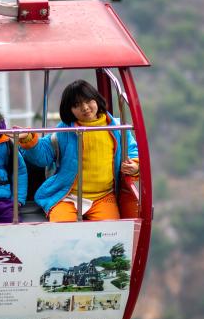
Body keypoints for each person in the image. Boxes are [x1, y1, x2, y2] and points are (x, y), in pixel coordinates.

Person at [18, 79, 138, 222]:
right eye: (76, 105)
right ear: (70, 110)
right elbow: (43, 155)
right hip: (67, 195)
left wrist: (135, 166)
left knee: (109, 231)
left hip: (103, 196)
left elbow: (132, 151)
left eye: (88, 101)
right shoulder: (65, 131)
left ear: (97, 100)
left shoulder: (117, 128)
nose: (85, 107)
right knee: (63, 225)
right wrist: (28, 139)